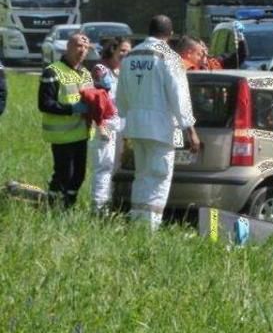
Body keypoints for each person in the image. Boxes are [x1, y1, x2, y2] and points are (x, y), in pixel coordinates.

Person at [116, 15, 200, 231]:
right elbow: (179, 95)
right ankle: (150, 229)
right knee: (159, 178)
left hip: (136, 126)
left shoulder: (130, 56)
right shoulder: (168, 57)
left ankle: (137, 224)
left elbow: (121, 96)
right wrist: (189, 128)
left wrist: (127, 116)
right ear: (170, 35)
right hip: (161, 128)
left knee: (142, 176)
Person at [37, 31, 94, 208]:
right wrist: (71, 109)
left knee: (79, 175)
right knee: (63, 174)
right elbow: (44, 104)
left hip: (81, 133)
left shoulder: (85, 73)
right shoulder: (52, 71)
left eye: (86, 47)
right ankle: (52, 205)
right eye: (78, 45)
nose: (82, 50)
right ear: (68, 47)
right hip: (62, 135)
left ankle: (68, 205)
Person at [87, 37, 132, 212]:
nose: (125, 55)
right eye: (122, 50)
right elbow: (97, 102)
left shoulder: (124, 72)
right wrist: (100, 126)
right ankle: (98, 209)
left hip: (121, 127)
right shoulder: (101, 70)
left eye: (128, 51)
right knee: (104, 168)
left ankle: (112, 206)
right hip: (105, 127)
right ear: (112, 50)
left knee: (117, 169)